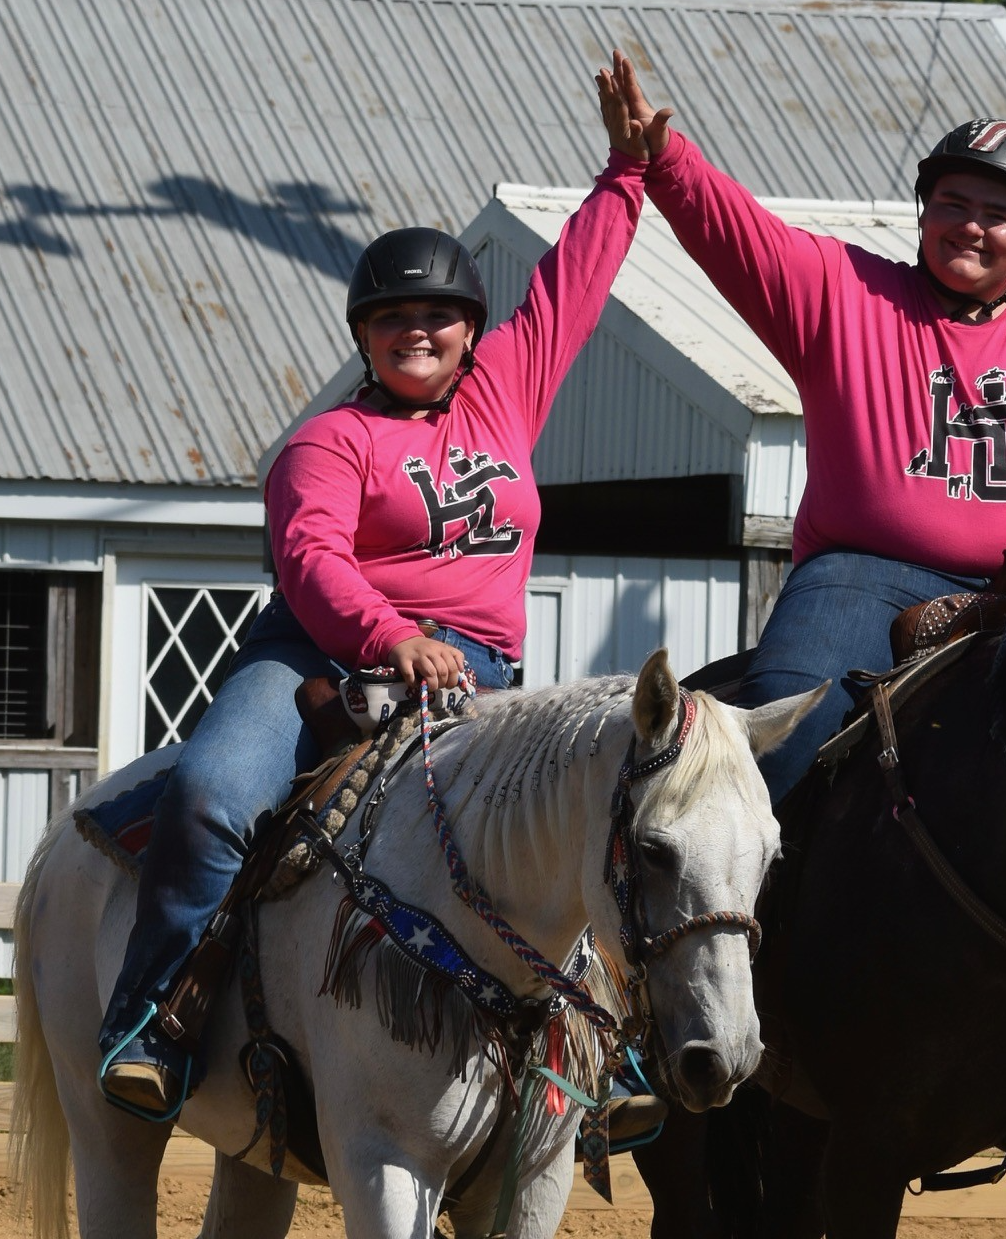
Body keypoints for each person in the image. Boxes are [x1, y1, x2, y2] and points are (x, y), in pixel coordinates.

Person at [98, 66, 658, 1118]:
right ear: (363, 332)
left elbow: (572, 284)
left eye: (439, 314)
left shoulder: (505, 395)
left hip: (476, 671)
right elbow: (310, 558)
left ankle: (599, 1053)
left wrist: (628, 171)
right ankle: (154, 1020)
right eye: (392, 315)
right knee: (212, 792)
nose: (417, 329)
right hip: (316, 652)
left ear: (470, 329)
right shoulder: (327, 440)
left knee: (578, 819)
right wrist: (390, 634)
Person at [603, 53, 1006, 803]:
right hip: (858, 578)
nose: (971, 226)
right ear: (924, 213)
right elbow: (743, 238)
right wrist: (665, 160)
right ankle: (766, 882)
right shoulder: (846, 293)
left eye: (998, 214)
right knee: (783, 730)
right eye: (953, 204)